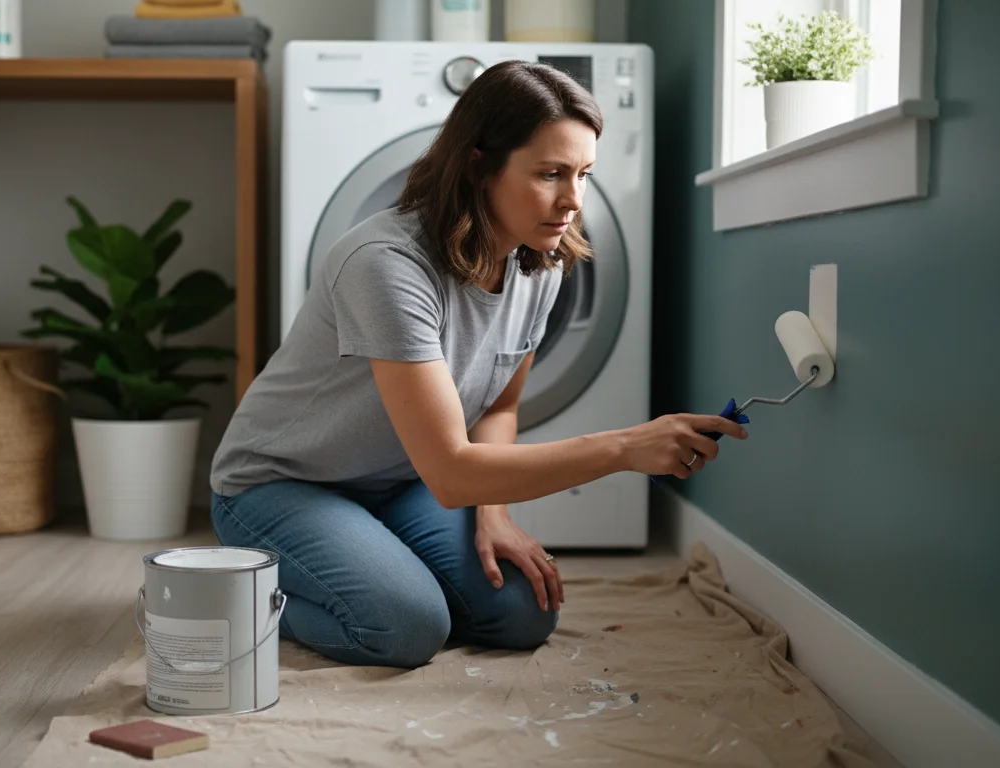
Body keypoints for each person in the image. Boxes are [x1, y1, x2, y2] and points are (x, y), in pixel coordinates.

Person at [208, 60, 747, 670]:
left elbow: (500, 405)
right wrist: (624, 448)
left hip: (400, 480)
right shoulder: (386, 265)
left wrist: (495, 517)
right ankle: (234, 600)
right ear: (477, 165)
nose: (572, 201)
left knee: (522, 613)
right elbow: (452, 472)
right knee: (407, 629)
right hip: (280, 483)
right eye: (550, 174)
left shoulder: (539, 260)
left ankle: (378, 570)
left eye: (583, 175)